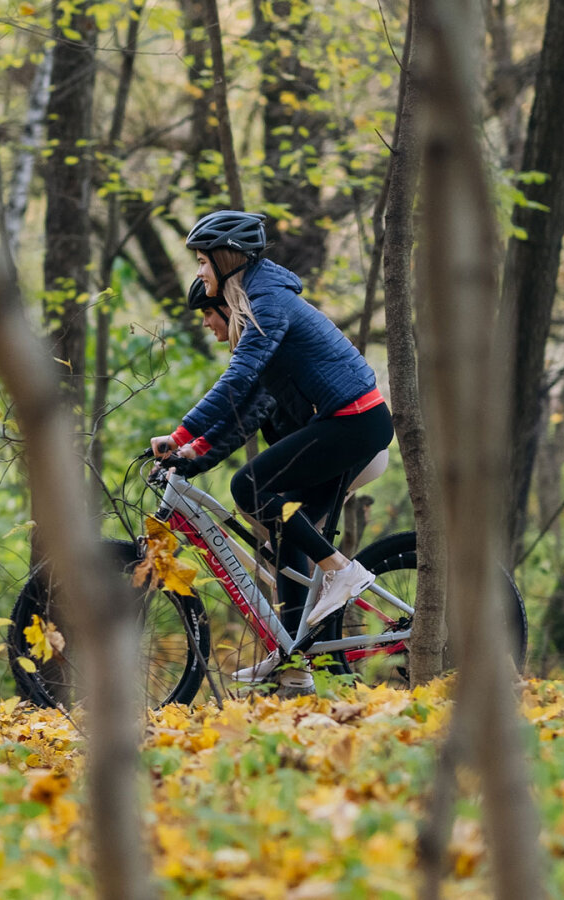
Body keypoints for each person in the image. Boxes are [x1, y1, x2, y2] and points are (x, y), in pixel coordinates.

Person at [151, 209, 393, 680]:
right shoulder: (258, 304)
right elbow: (245, 410)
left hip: (356, 424)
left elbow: (238, 380)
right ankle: (296, 661)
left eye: (202, 261)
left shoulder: (267, 303)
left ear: (226, 259)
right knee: (283, 532)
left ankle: (343, 572)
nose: (200, 272)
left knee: (252, 487)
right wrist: (193, 453)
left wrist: (183, 436)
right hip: (346, 426)